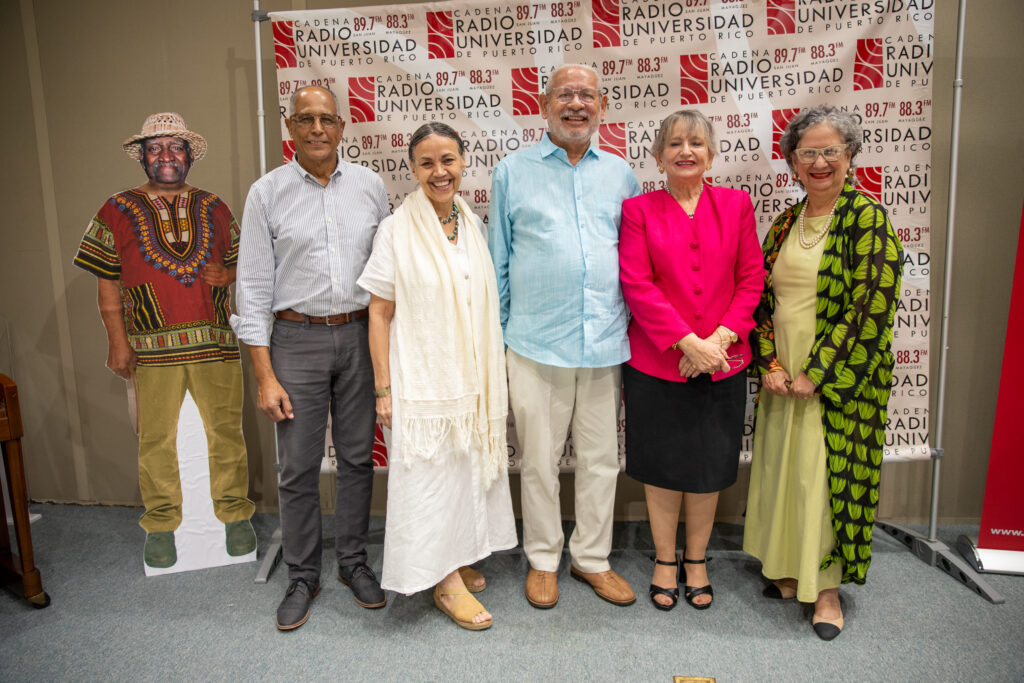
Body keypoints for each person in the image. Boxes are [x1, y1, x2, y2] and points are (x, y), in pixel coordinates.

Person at [231, 86, 389, 631]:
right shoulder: (266, 193)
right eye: (306, 119)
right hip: (293, 342)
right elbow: (251, 286)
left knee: (355, 459)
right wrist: (263, 374)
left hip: (359, 336)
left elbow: (388, 276)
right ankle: (302, 574)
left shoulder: (370, 187)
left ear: (342, 126)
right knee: (297, 467)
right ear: (290, 127)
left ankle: (352, 562)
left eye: (327, 119)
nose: (317, 128)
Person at [743, 105, 903, 640]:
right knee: (785, 471)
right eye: (807, 152)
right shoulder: (786, 221)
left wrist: (818, 372)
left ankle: (827, 590)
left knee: (823, 481)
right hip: (783, 371)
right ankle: (790, 568)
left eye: (830, 150)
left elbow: (871, 305)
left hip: (837, 377)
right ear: (791, 161)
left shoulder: (866, 218)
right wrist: (768, 361)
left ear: (850, 156)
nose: (819, 162)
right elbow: (759, 299)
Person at [73, 113, 256, 570]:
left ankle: (234, 516)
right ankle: (160, 524)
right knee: (155, 439)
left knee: (227, 434)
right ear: (143, 157)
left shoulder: (214, 206)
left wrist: (227, 274)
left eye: (176, 148)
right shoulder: (114, 209)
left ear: (189, 156)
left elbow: (245, 265)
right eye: (156, 149)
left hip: (215, 343)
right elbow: (107, 285)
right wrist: (117, 342)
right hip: (151, 347)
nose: (167, 157)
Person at [489, 64, 641, 609]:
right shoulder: (511, 171)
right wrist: (501, 336)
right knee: (538, 459)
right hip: (533, 343)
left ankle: (593, 560)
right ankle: (544, 559)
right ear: (543, 103)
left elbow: (634, 257)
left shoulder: (622, 175)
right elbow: (497, 262)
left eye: (586, 96)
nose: (575, 104)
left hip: (603, 341)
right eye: (564, 95)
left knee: (602, 459)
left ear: (602, 106)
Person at [358, 123, 516, 631]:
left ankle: (459, 553)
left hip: (469, 380)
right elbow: (378, 313)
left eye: (447, 160)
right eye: (426, 163)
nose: (439, 172)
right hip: (424, 384)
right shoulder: (396, 230)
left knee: (465, 471)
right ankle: (442, 580)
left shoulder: (470, 222)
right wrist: (383, 388)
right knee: (431, 478)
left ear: (464, 162)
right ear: (412, 170)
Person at [618, 111, 763, 611]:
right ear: (658, 156)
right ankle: (663, 558)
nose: (686, 151)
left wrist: (716, 343)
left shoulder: (737, 205)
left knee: (707, 464)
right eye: (675, 143)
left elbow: (752, 280)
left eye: (696, 143)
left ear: (711, 153)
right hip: (658, 364)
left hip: (723, 361)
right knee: (662, 466)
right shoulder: (637, 210)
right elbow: (637, 284)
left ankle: (696, 559)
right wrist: (687, 343)